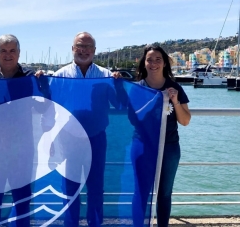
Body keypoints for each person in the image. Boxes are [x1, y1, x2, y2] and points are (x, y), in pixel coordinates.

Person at [0, 34, 50, 226]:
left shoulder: (30, 78)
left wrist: (43, 85)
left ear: (19, 53)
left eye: (12, 50)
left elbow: (42, 108)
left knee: (22, 199)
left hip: (23, 149)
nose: (8, 55)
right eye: (3, 51)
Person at [51, 32, 122, 227]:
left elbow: (119, 104)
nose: (84, 50)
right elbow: (48, 106)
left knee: (96, 188)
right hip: (69, 139)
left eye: (88, 46)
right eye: (80, 46)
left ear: (94, 50)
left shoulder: (106, 75)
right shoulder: (59, 75)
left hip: (97, 138)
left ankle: (95, 224)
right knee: (70, 189)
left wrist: (119, 85)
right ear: (73, 49)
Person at [132, 44, 191, 227]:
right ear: (144, 63)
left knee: (165, 193)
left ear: (164, 63)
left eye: (158, 59)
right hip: (143, 146)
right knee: (141, 191)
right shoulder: (137, 89)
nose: (154, 63)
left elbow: (185, 120)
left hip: (170, 147)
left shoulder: (175, 87)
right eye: (150, 59)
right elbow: (131, 119)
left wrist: (175, 101)